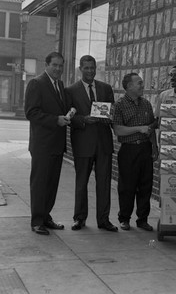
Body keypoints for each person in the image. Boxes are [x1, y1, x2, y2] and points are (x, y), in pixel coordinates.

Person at [65, 55, 117, 232]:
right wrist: (84, 119)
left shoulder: (106, 88)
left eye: (92, 68)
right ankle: (79, 218)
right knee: (81, 182)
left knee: (104, 183)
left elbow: (112, 112)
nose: (90, 71)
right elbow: (69, 117)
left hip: (103, 143)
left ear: (96, 68)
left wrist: (109, 116)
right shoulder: (71, 90)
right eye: (86, 68)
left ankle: (103, 220)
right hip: (83, 142)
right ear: (80, 69)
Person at [25, 51, 70, 235]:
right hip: (42, 145)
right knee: (40, 183)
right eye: (55, 65)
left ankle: (45, 216)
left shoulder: (59, 84)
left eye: (61, 66)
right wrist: (55, 120)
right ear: (47, 65)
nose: (58, 69)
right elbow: (31, 113)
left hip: (57, 144)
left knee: (52, 183)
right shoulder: (36, 83)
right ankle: (37, 221)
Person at [112, 73, 158, 231]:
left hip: (145, 149)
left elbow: (151, 128)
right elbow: (118, 130)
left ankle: (142, 219)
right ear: (129, 86)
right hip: (129, 150)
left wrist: (155, 148)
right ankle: (124, 218)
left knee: (146, 185)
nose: (142, 86)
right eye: (139, 83)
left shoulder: (146, 104)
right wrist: (139, 128)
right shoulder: (119, 105)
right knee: (127, 186)